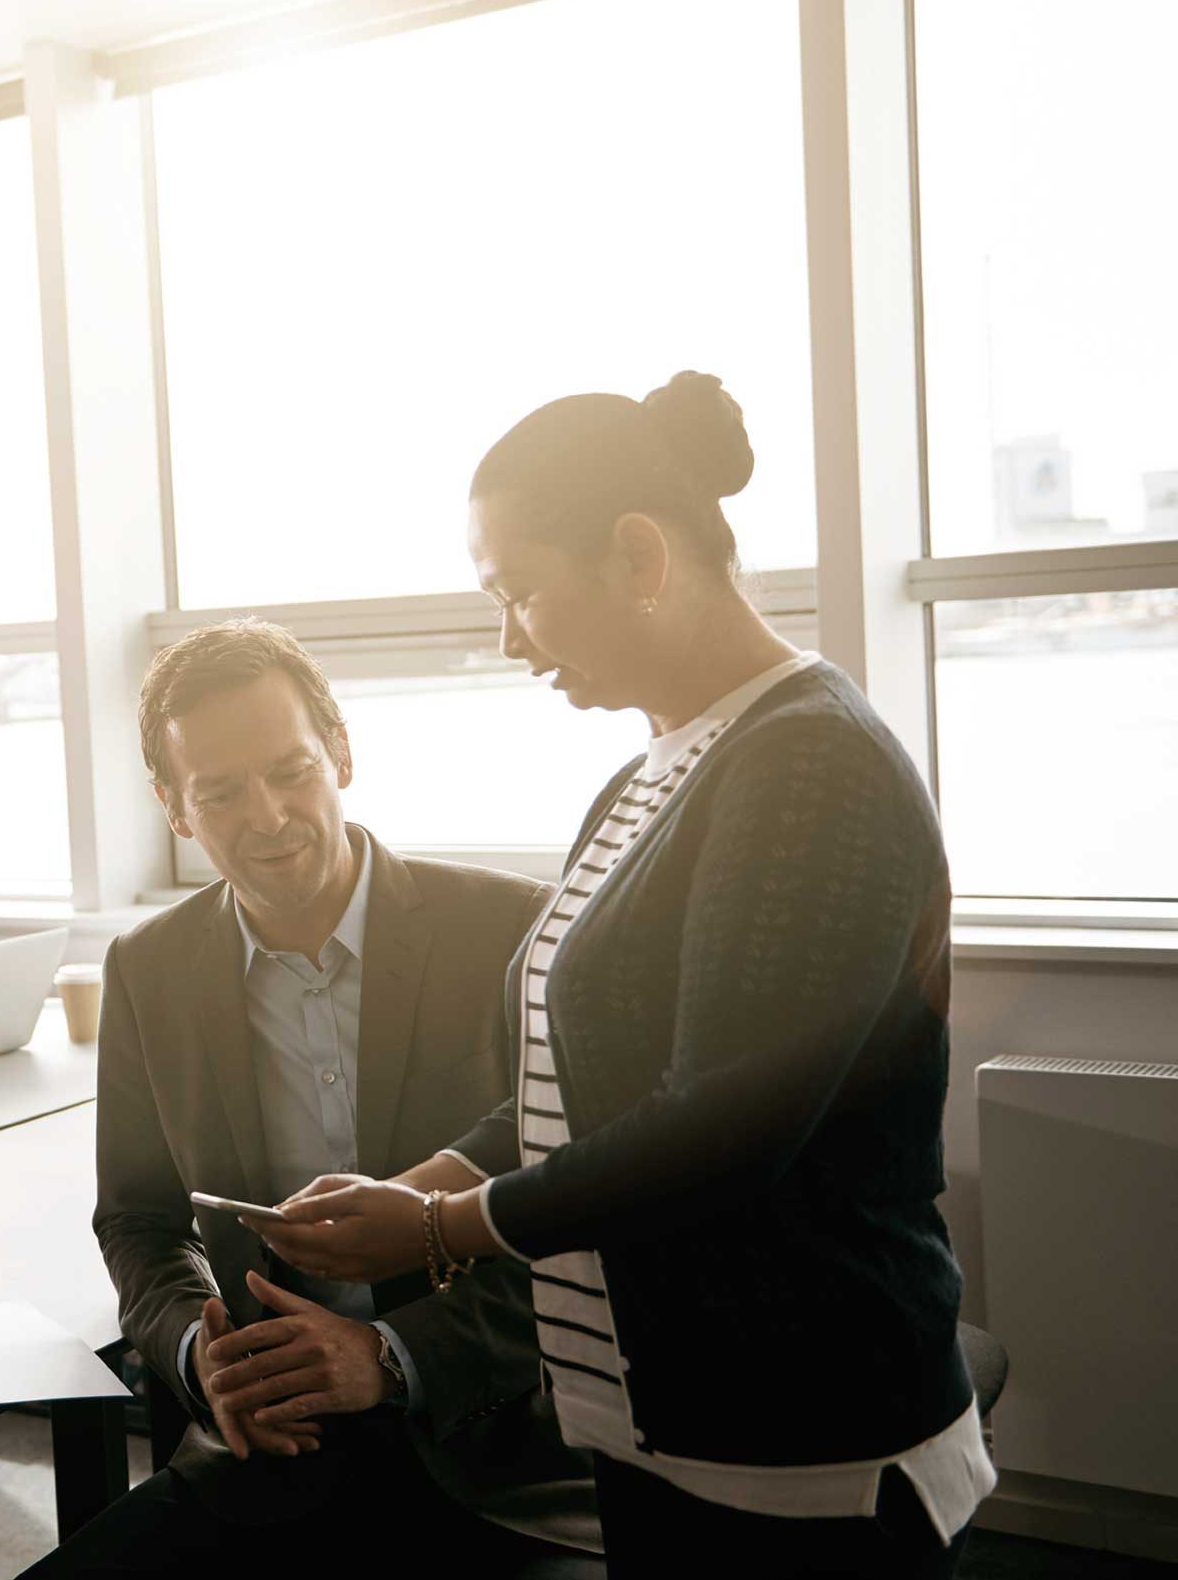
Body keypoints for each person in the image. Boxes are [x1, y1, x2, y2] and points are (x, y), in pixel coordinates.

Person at [248, 373, 992, 1578]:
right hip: (660, 1417)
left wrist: (439, 1228)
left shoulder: (810, 767)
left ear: (640, 555)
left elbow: (720, 1129)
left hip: (807, 1428)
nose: (510, 637)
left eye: (521, 592)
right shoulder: (657, 769)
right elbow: (581, 1082)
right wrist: (416, 1184)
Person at [22, 619, 599, 1576]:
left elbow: (582, 1220)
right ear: (174, 808)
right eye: (219, 792)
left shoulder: (511, 928)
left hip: (501, 1447)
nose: (267, 817)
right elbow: (138, 1220)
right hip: (268, 1451)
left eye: (291, 772)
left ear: (341, 754)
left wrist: (389, 1353)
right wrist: (197, 1352)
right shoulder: (147, 969)